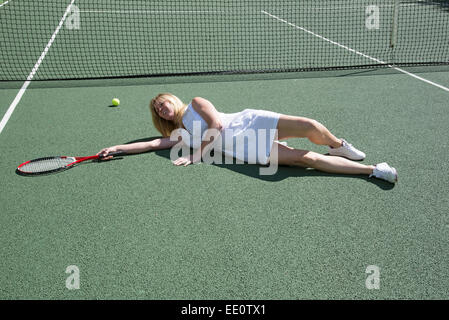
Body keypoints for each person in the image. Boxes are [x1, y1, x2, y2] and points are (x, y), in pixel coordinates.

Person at [98, 93, 398, 183]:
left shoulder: (196, 104)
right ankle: (372, 170)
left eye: (163, 103)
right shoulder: (179, 135)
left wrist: (195, 155)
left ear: (173, 100)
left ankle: (339, 146)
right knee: (305, 159)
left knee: (309, 126)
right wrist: (118, 148)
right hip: (248, 151)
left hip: (249, 122)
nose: (162, 109)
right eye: (158, 111)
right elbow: (152, 144)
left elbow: (217, 124)